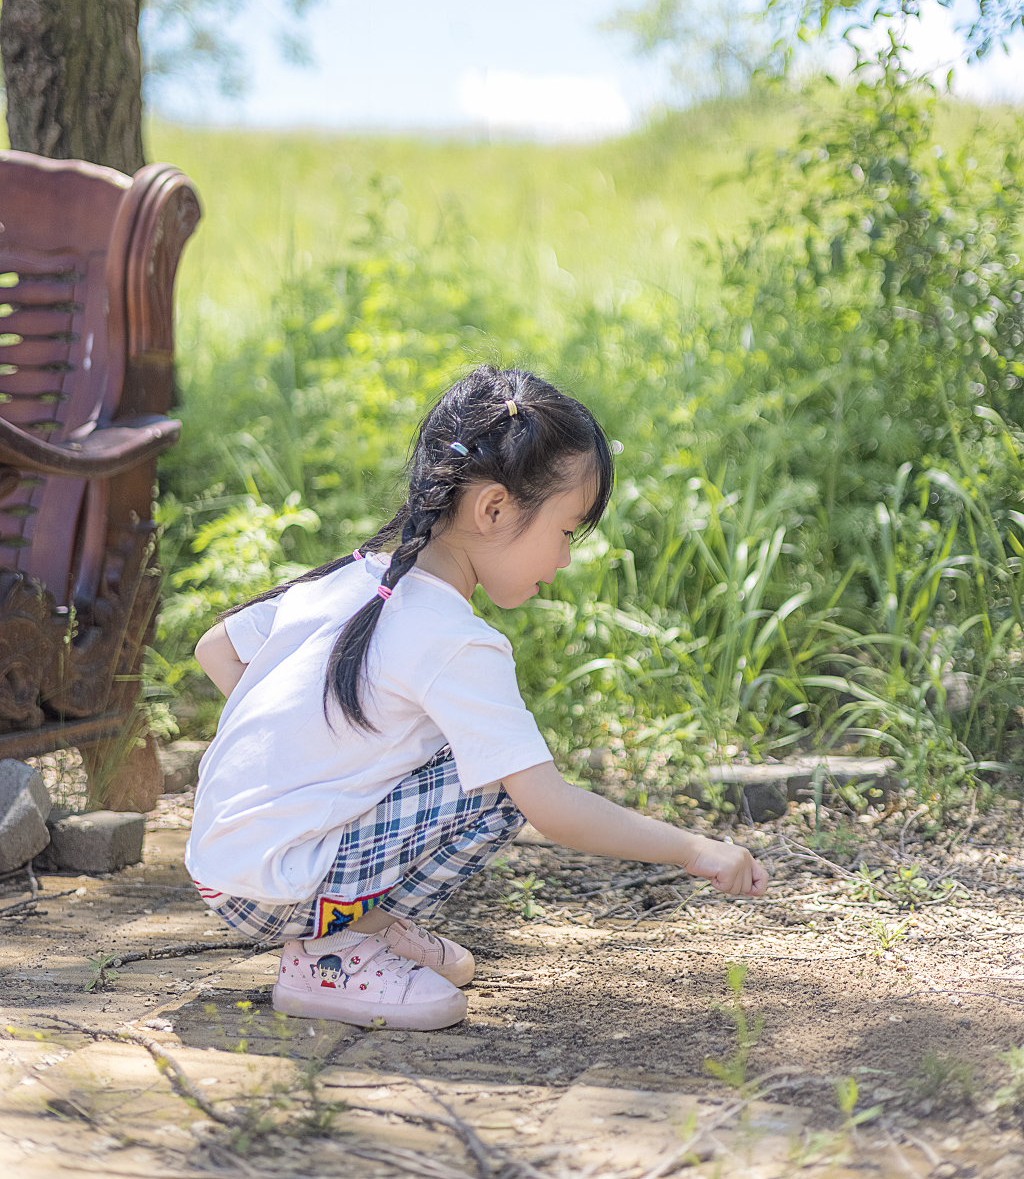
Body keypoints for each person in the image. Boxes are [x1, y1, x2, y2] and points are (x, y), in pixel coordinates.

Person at [186, 365, 768, 1032]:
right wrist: (694, 850)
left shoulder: (351, 578)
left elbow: (216, 648)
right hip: (277, 886)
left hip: (219, 864)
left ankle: (361, 923)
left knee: (464, 751)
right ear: (493, 509)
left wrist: (305, 756)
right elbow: (551, 808)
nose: (566, 560)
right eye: (567, 532)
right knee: (499, 783)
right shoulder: (456, 640)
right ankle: (334, 954)